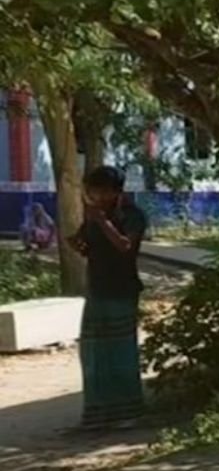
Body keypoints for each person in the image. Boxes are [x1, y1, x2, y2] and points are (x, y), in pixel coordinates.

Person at [66, 166, 149, 430]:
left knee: (120, 350)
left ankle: (127, 411)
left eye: (102, 191)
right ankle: (98, 413)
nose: (97, 197)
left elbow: (125, 246)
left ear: (115, 191)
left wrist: (103, 222)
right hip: (97, 288)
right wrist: (78, 242)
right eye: (93, 192)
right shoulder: (94, 216)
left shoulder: (132, 215)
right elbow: (88, 245)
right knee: (95, 352)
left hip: (121, 289)